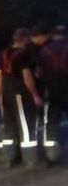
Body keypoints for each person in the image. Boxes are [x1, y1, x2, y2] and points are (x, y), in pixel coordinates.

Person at [0, 28, 43, 168]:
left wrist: (0, 95)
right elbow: (27, 76)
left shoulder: (3, 54)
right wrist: (35, 95)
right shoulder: (23, 55)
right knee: (26, 125)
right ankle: (30, 159)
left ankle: (8, 157)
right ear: (24, 39)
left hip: (6, 92)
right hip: (20, 93)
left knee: (9, 125)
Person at [39, 25, 68, 164]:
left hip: (51, 91)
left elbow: (38, 73)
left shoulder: (44, 50)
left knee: (51, 123)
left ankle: (51, 155)